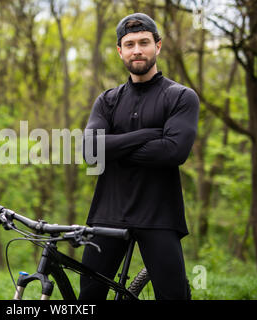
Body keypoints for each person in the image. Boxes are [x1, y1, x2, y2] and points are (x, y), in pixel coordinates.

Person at [80, 13, 199, 300]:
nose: (137, 50)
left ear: (158, 46)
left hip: (159, 215)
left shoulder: (181, 96)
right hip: (107, 214)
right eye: (130, 44)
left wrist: (115, 147)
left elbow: (174, 151)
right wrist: (149, 134)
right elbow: (90, 151)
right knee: (87, 299)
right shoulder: (107, 100)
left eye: (144, 42)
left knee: (173, 296)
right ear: (120, 51)